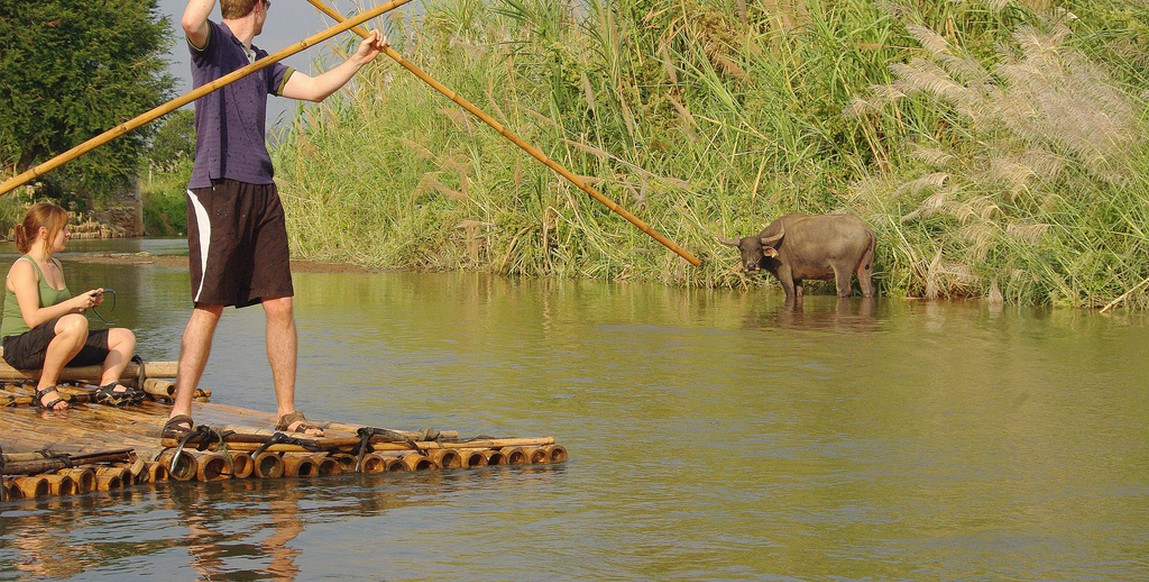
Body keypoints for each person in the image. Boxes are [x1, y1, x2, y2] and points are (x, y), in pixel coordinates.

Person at [164, 0, 389, 439]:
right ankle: (180, 411)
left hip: (261, 189)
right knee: (209, 305)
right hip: (217, 186)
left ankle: (287, 412)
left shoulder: (261, 63)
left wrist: (359, 59)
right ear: (261, 7)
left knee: (280, 303)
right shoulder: (213, 45)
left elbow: (315, 89)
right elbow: (190, 20)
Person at [1, 203, 140, 410]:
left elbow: (60, 315)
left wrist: (84, 304)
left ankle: (108, 384)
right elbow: (33, 319)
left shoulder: (55, 265)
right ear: (44, 233)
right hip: (22, 346)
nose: (68, 234)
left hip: (53, 341)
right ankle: (45, 387)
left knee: (125, 337)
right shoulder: (24, 267)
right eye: (63, 229)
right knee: (77, 323)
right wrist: (74, 304)